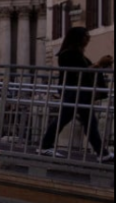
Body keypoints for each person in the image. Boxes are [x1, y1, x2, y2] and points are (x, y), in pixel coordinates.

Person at [38, 27, 113, 162]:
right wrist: (99, 64)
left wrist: (101, 65)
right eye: (86, 36)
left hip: (79, 93)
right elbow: (79, 71)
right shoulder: (68, 54)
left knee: (84, 123)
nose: (88, 39)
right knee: (84, 123)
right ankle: (102, 153)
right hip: (74, 92)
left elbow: (86, 70)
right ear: (78, 38)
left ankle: (102, 152)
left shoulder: (77, 54)